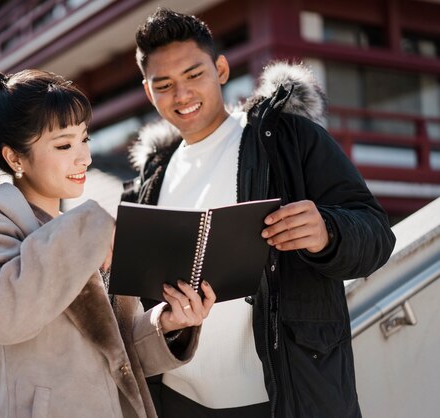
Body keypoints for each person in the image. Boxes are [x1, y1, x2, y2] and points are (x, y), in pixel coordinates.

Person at [122, 8, 396, 418]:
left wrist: (328, 232)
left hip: (282, 394)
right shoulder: (150, 178)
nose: (182, 95)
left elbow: (377, 234)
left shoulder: (286, 139)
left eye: (194, 75)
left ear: (221, 69)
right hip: (178, 398)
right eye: (164, 84)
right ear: (148, 91)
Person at [0, 67, 216, 418]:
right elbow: (1, 316)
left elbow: (115, 355)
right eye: (64, 144)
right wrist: (90, 228)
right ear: (15, 158)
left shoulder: (80, 231)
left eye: (84, 139)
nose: (83, 157)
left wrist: (168, 323)